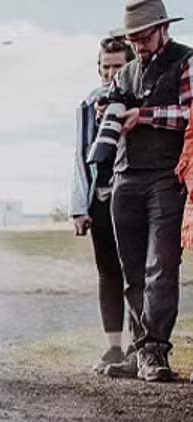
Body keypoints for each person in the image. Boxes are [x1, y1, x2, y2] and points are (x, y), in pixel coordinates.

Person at [103, 0, 192, 382]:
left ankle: (156, 350)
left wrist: (144, 115)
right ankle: (140, 350)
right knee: (132, 270)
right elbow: (107, 111)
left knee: (161, 267)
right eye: (132, 39)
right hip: (126, 176)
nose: (137, 45)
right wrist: (108, 109)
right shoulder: (123, 75)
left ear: (162, 29)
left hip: (165, 176)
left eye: (142, 37)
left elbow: (191, 113)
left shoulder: (186, 61)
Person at [72, 38, 134, 372]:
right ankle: (114, 347)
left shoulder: (140, 100)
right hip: (101, 196)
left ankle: (144, 346)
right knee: (108, 271)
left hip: (135, 194)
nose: (111, 74)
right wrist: (78, 207)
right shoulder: (87, 104)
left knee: (137, 272)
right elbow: (81, 156)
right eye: (105, 67)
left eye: (118, 67)